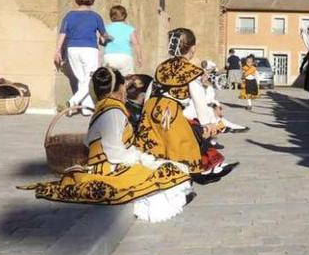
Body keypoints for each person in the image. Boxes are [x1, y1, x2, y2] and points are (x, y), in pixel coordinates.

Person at [20, 67, 193, 223]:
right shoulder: (114, 112)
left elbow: (91, 142)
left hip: (110, 163)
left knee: (168, 169)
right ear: (118, 89)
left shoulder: (105, 108)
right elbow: (115, 153)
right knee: (173, 172)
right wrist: (142, 158)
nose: (126, 91)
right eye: (123, 87)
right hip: (112, 168)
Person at [136, 28, 233, 183]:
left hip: (151, 108)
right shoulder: (191, 70)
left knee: (156, 142)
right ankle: (188, 176)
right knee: (183, 144)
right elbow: (198, 97)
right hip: (169, 111)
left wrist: (144, 111)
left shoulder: (162, 66)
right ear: (193, 48)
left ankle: (155, 171)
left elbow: (151, 88)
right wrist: (206, 123)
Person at [54, 0, 109, 116]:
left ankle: (86, 108)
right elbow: (104, 35)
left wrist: (57, 51)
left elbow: (62, 34)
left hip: (72, 49)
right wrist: (107, 38)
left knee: (82, 79)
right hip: (89, 49)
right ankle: (73, 101)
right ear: (92, 0)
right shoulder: (96, 17)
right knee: (90, 79)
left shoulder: (69, 15)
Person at [103, 5, 141, 76]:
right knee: (127, 78)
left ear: (111, 16)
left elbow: (102, 42)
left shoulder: (106, 28)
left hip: (109, 56)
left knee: (109, 79)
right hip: (125, 56)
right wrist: (139, 58)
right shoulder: (129, 29)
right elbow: (136, 43)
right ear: (124, 16)